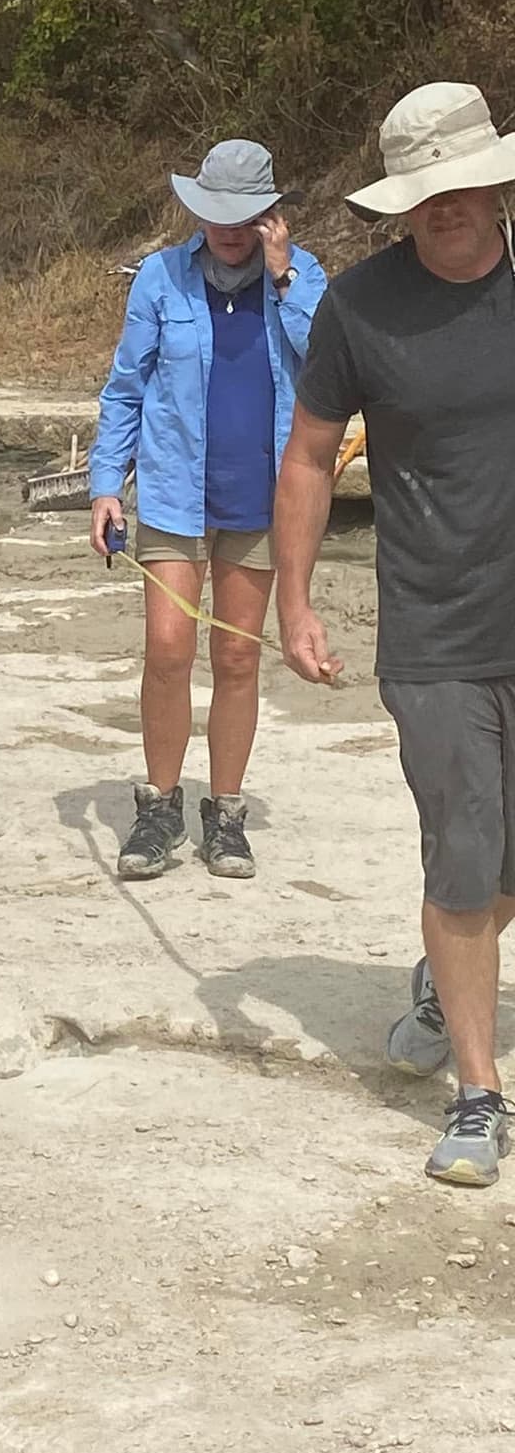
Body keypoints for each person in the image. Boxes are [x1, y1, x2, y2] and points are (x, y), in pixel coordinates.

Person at [275, 81, 515, 1188]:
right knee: (461, 851)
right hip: (435, 628)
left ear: (493, 182)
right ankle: (478, 1095)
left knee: (504, 861)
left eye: (457, 185)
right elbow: (309, 455)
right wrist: (292, 599)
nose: (442, 206)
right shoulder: (359, 307)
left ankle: (439, 982)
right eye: (422, 192)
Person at [90, 140, 326, 880]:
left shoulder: (305, 275)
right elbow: (126, 386)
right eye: (215, 212)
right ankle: (159, 805)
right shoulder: (160, 276)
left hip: (263, 498)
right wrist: (106, 483)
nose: (227, 228)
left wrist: (284, 279)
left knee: (237, 655)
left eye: (243, 214)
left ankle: (225, 813)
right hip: (172, 491)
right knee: (168, 649)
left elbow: (327, 366)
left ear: (270, 215)